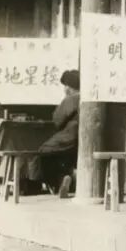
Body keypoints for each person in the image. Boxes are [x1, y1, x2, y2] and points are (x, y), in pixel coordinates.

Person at [33, 69, 81, 198]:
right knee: (63, 157)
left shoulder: (70, 99)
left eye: (65, 85)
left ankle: (60, 180)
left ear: (69, 87)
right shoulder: (85, 99)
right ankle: (66, 178)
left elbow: (57, 120)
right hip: (78, 140)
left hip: (68, 137)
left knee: (43, 152)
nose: (64, 88)